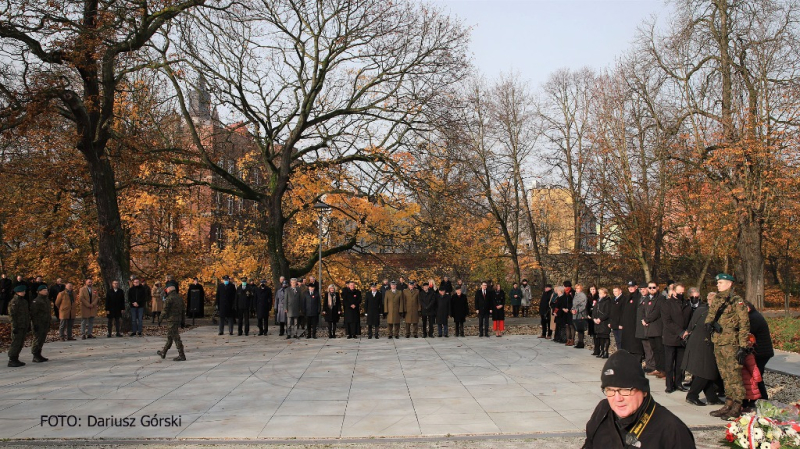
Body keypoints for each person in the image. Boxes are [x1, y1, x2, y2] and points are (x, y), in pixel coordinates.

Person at [583, 350, 695, 448]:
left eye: (625, 390)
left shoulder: (672, 430)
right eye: (610, 390)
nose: (618, 398)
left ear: (644, 390)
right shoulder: (603, 411)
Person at [705, 273, 750, 420]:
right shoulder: (717, 299)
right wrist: (710, 324)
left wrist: (742, 346)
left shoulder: (737, 301)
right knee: (724, 374)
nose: (718, 285)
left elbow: (744, 324)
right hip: (718, 341)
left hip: (731, 342)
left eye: (721, 283)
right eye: (718, 283)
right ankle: (728, 403)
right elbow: (710, 316)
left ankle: (737, 405)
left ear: (729, 284)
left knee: (734, 375)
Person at [682, 292, 723, 407]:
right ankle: (692, 395)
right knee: (705, 371)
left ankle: (711, 397)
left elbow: (690, 326)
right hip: (705, 344)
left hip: (695, 342)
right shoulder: (713, 314)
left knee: (707, 370)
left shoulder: (700, 309)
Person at [744, 301, 773, 407]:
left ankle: (762, 399)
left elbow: (747, 332)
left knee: (757, 376)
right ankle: (756, 399)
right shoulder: (754, 315)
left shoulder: (753, 318)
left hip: (761, 352)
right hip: (762, 351)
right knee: (756, 376)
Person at [662, 284, 688, 393]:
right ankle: (669, 384)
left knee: (680, 364)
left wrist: (687, 331)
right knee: (669, 363)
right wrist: (680, 332)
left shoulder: (686, 303)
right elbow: (667, 321)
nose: (681, 294)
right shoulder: (667, 304)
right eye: (679, 292)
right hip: (671, 337)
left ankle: (678, 383)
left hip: (683, 338)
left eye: (683, 292)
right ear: (673, 291)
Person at [157, 280, 186, 361]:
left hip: (171, 320)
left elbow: (164, 310)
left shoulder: (169, 298)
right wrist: (183, 321)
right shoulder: (179, 298)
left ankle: (182, 355)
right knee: (170, 337)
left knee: (176, 337)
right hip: (177, 320)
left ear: (169, 289)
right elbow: (183, 311)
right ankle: (164, 352)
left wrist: (159, 319)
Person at [642, 282, 665, 378]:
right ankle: (658, 368)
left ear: (658, 288)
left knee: (660, 350)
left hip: (657, 327)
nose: (652, 289)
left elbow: (657, 312)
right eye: (650, 287)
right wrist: (643, 319)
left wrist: (647, 320)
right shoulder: (647, 299)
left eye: (653, 287)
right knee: (654, 349)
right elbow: (643, 311)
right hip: (649, 328)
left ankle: (663, 370)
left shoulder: (661, 299)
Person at [8, 285, 30, 367]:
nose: (24, 292)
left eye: (24, 291)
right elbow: (12, 315)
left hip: (23, 325)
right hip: (17, 326)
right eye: (22, 291)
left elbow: (26, 314)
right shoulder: (14, 302)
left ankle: (16, 358)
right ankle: (12, 359)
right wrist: (14, 326)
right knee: (16, 343)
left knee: (20, 343)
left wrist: (27, 324)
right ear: (17, 292)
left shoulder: (24, 301)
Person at [620, 281, 643, 357]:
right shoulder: (628, 297)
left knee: (635, 345)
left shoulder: (639, 297)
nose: (630, 288)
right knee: (627, 345)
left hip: (634, 325)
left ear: (636, 287)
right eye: (629, 287)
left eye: (632, 287)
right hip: (627, 325)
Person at [30, 284, 51, 363]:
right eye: (44, 290)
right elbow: (34, 314)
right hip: (38, 323)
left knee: (42, 339)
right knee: (37, 339)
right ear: (39, 292)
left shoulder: (46, 300)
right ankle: (35, 354)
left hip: (45, 323)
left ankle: (39, 354)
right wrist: (35, 324)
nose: (46, 292)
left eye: (46, 290)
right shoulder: (36, 301)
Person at [592, 288, 612, 358]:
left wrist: (600, 319)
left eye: (601, 293)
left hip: (604, 322)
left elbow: (607, 313)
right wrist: (594, 318)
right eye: (599, 293)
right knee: (600, 337)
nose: (599, 294)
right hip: (597, 322)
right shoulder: (598, 301)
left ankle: (606, 351)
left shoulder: (607, 301)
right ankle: (601, 350)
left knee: (605, 336)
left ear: (605, 294)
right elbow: (594, 311)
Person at [572, 284, 588, 348]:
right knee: (578, 329)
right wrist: (572, 310)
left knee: (580, 328)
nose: (577, 289)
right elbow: (574, 305)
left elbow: (583, 305)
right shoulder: (576, 295)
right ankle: (579, 342)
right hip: (575, 313)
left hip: (580, 313)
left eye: (578, 288)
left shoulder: (582, 295)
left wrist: (577, 310)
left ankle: (581, 342)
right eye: (576, 288)